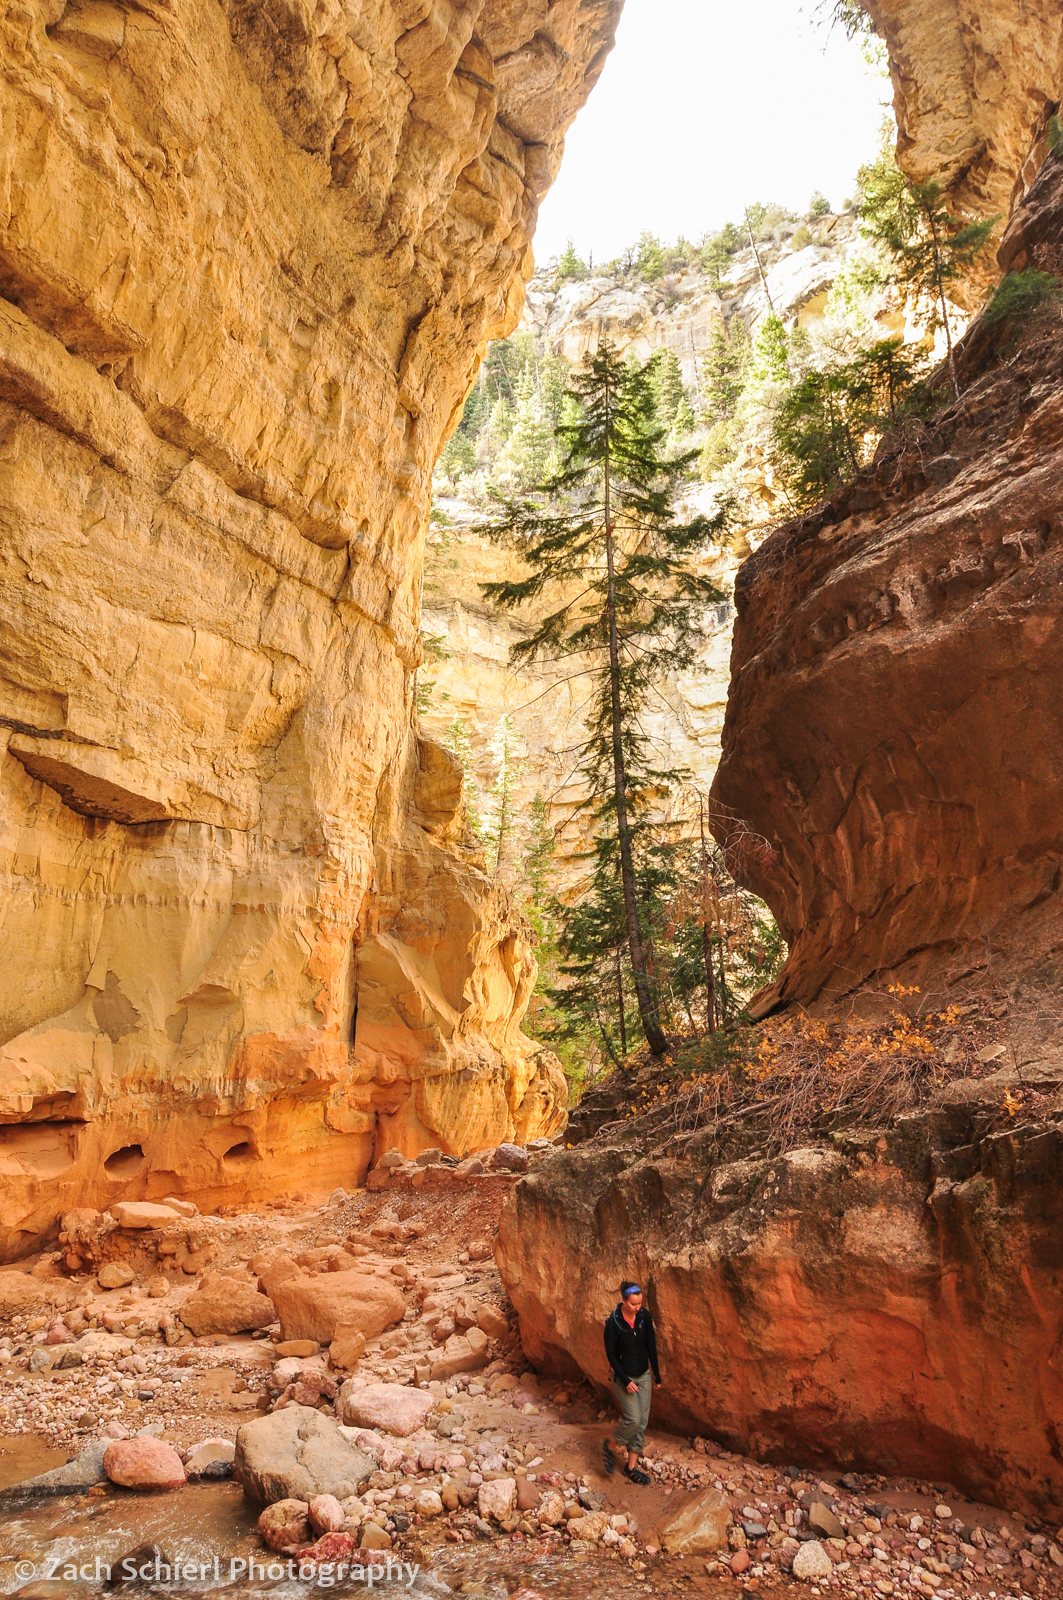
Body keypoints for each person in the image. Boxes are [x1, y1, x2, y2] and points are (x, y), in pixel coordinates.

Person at [601, 1280, 660, 1483]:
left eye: (640, 1303)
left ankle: (631, 1467)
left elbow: (651, 1346)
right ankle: (610, 1444)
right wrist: (626, 1380)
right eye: (633, 1304)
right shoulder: (613, 1322)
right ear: (624, 1301)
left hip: (643, 1375)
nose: (637, 1307)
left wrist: (657, 1375)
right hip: (622, 1376)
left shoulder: (644, 1316)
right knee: (633, 1419)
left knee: (642, 1423)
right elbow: (611, 1355)